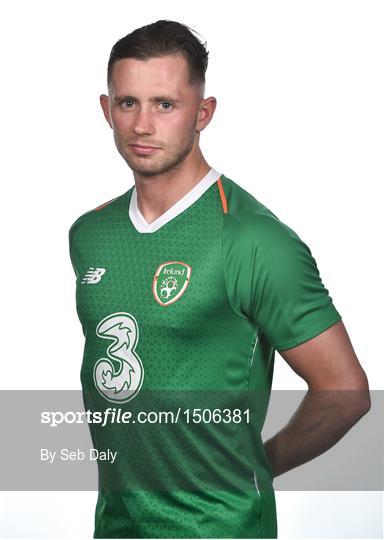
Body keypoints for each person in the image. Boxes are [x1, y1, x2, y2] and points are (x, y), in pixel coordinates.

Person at [68, 19, 371, 539]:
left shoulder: (252, 239)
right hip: (117, 527)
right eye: (128, 103)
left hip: (219, 528)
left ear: (202, 113)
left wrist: (257, 465)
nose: (142, 125)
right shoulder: (90, 233)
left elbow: (345, 391)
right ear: (105, 109)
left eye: (165, 104)